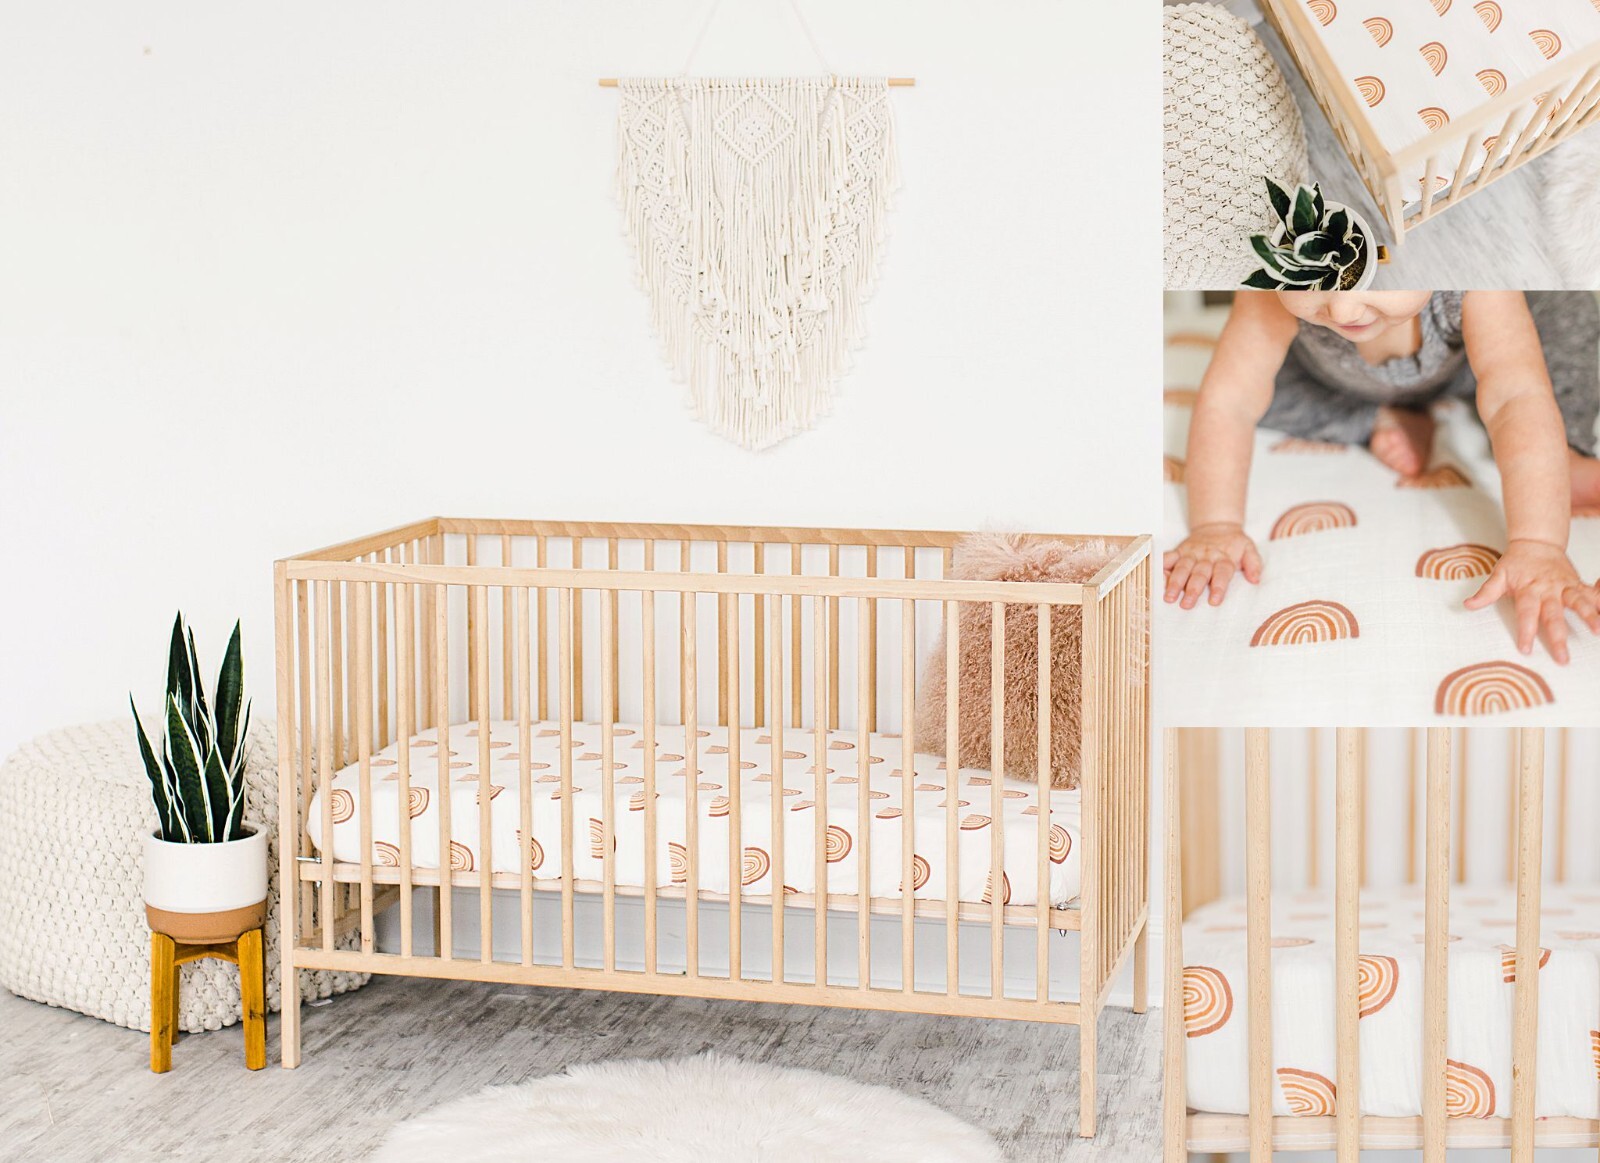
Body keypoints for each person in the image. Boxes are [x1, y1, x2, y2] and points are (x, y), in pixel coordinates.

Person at [1164, 291, 1600, 664]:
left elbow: (1513, 397)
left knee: (1562, 310)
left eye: (1374, 274)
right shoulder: (1275, 282)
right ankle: (1380, 418)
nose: (1344, 310)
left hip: (1472, 365)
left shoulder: (1471, 273)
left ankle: (1561, 452)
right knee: (1259, 392)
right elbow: (1231, 401)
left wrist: (1538, 544)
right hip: (1337, 384)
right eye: (1315, 277)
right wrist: (1215, 526)